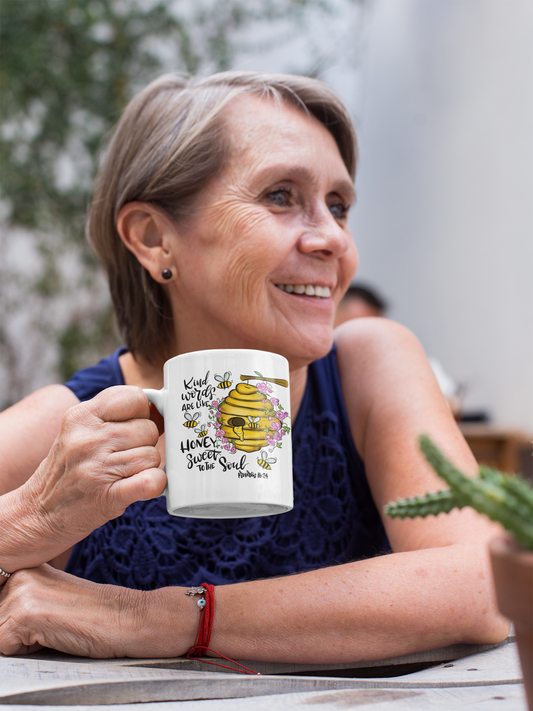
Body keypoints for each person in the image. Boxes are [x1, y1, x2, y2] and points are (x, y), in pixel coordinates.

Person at [0, 72, 508, 661]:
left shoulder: (368, 367)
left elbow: (487, 583)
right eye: (281, 196)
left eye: (338, 207)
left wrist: (153, 618)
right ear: (154, 237)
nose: (334, 241)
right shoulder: (71, 426)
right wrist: (30, 521)